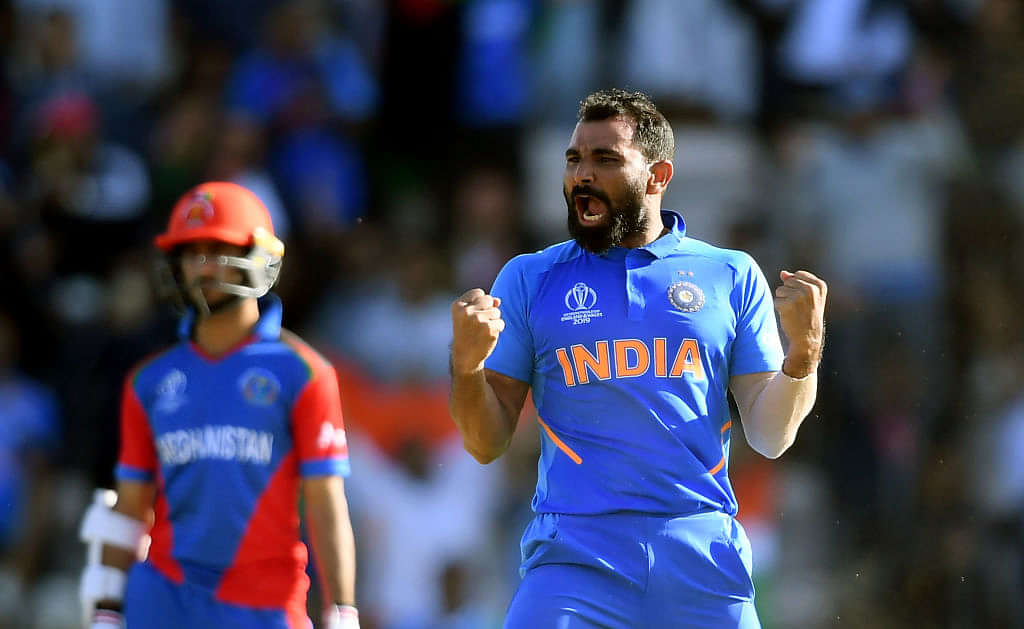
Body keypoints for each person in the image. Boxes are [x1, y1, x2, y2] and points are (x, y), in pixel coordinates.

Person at [449, 89, 826, 628]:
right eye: (574, 159)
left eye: (606, 160)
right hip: (575, 558)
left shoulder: (730, 274)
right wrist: (466, 370)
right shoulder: (528, 278)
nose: (583, 174)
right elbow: (485, 443)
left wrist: (803, 358)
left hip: (701, 555)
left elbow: (770, 436)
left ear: (657, 175)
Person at [78, 181, 360, 629]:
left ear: (259, 257)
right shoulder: (148, 381)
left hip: (265, 605)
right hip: (163, 598)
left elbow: (326, 503)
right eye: (191, 253)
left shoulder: (304, 373)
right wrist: (108, 611)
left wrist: (341, 610)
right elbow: (132, 504)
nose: (201, 267)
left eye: (216, 250)